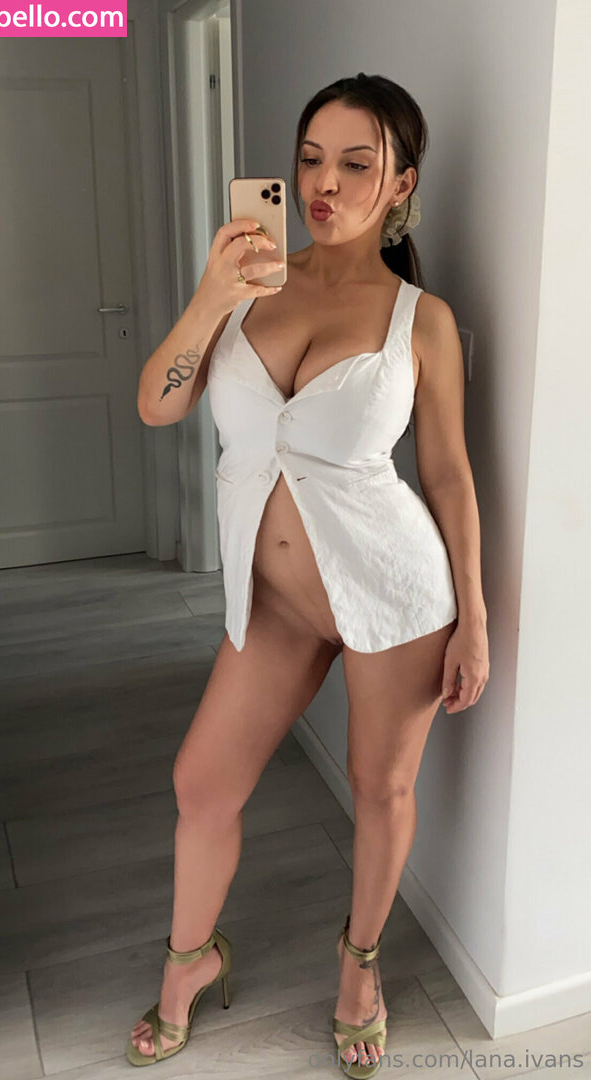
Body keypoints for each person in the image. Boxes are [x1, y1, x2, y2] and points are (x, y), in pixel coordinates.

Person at [128, 72, 489, 1076]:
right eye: (310, 160)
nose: (325, 184)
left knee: (380, 788)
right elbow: (158, 404)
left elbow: (448, 474)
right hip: (278, 603)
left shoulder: (419, 318)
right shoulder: (248, 292)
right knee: (201, 783)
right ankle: (190, 962)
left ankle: (359, 968)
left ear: (401, 183)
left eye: (356, 164)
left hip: (394, 594)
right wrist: (212, 294)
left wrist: (473, 618)